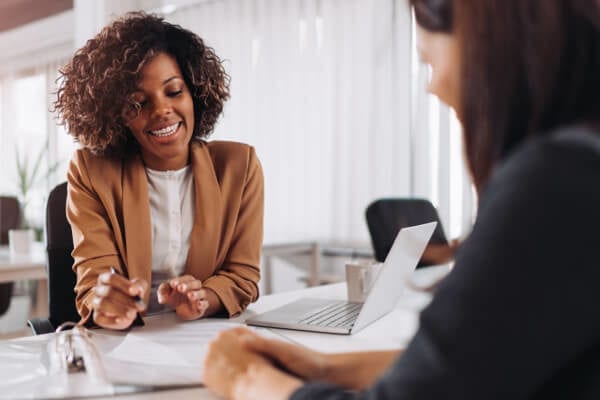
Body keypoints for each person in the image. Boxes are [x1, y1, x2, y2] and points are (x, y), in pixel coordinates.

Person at [203, 0, 600, 398]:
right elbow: (479, 365)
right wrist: (324, 366)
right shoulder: (578, 168)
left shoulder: (556, 182)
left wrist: (247, 381)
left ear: (491, 46)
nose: (434, 85)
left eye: (429, 62)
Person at [54, 12, 264, 330]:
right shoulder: (91, 171)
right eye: (137, 103)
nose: (162, 111)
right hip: (123, 344)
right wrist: (106, 302)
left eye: (174, 91)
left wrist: (204, 300)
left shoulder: (239, 166)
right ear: (116, 116)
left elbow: (242, 276)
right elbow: (93, 281)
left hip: (201, 338)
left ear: (195, 91)